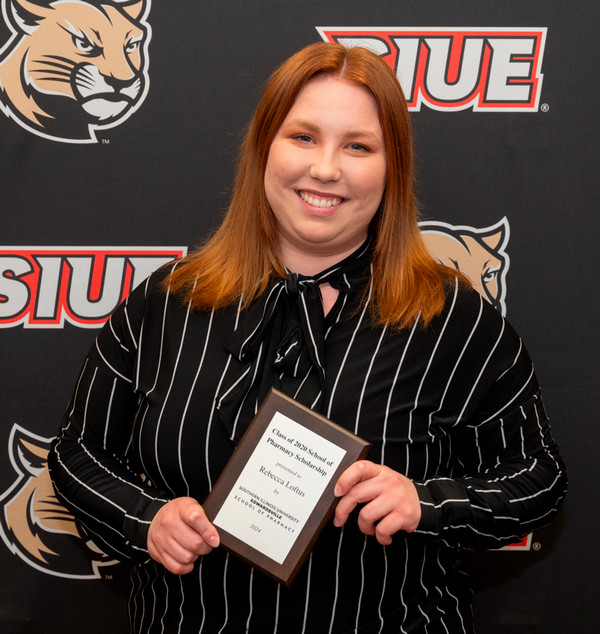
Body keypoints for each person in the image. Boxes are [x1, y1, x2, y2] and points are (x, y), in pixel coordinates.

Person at [49, 42, 567, 633]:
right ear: (263, 148)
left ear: (392, 165)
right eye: (303, 137)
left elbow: (538, 478)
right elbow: (75, 452)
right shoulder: (168, 303)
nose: (325, 168)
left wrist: (427, 503)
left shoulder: (453, 321)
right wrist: (145, 520)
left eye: (358, 146)